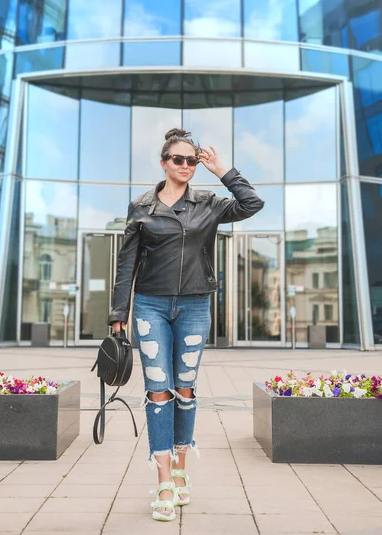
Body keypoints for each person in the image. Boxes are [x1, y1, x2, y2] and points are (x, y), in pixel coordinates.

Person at [108, 127, 264, 521]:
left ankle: (180, 470)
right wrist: (117, 315)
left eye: (192, 160)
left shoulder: (209, 202)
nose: (186, 166)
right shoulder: (141, 206)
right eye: (179, 159)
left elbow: (252, 203)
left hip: (194, 306)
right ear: (164, 163)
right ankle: (162, 480)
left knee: (185, 389)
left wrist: (223, 170)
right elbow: (126, 263)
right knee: (158, 390)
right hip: (150, 306)